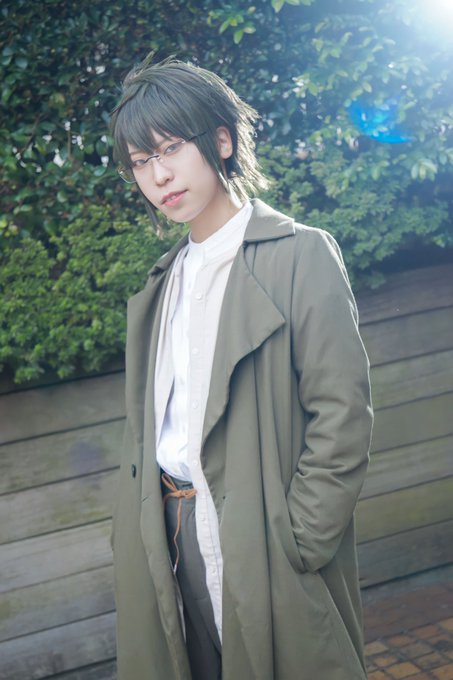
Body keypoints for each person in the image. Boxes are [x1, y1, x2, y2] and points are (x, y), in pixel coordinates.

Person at [110, 55, 373, 680]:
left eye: (171, 147)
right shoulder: (162, 283)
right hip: (168, 533)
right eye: (141, 161)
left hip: (264, 536)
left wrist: (299, 538)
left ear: (222, 141)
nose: (159, 175)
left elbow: (342, 414)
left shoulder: (300, 254)